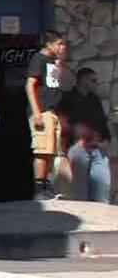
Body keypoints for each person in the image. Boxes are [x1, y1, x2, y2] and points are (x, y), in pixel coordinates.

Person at [58, 67, 112, 203]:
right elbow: (64, 123)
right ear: (84, 81)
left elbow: (102, 121)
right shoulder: (69, 99)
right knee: (80, 193)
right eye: (93, 81)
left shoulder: (95, 100)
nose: (96, 84)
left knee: (102, 189)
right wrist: (71, 143)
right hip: (79, 149)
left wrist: (106, 139)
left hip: (98, 149)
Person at [26, 30, 68, 200]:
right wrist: (36, 112)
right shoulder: (39, 59)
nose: (62, 47)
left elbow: (54, 83)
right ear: (49, 44)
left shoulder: (52, 62)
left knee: (52, 151)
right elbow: (30, 85)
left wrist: (60, 65)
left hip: (53, 110)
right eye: (59, 43)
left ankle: (47, 185)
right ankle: (38, 188)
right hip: (42, 110)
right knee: (42, 151)